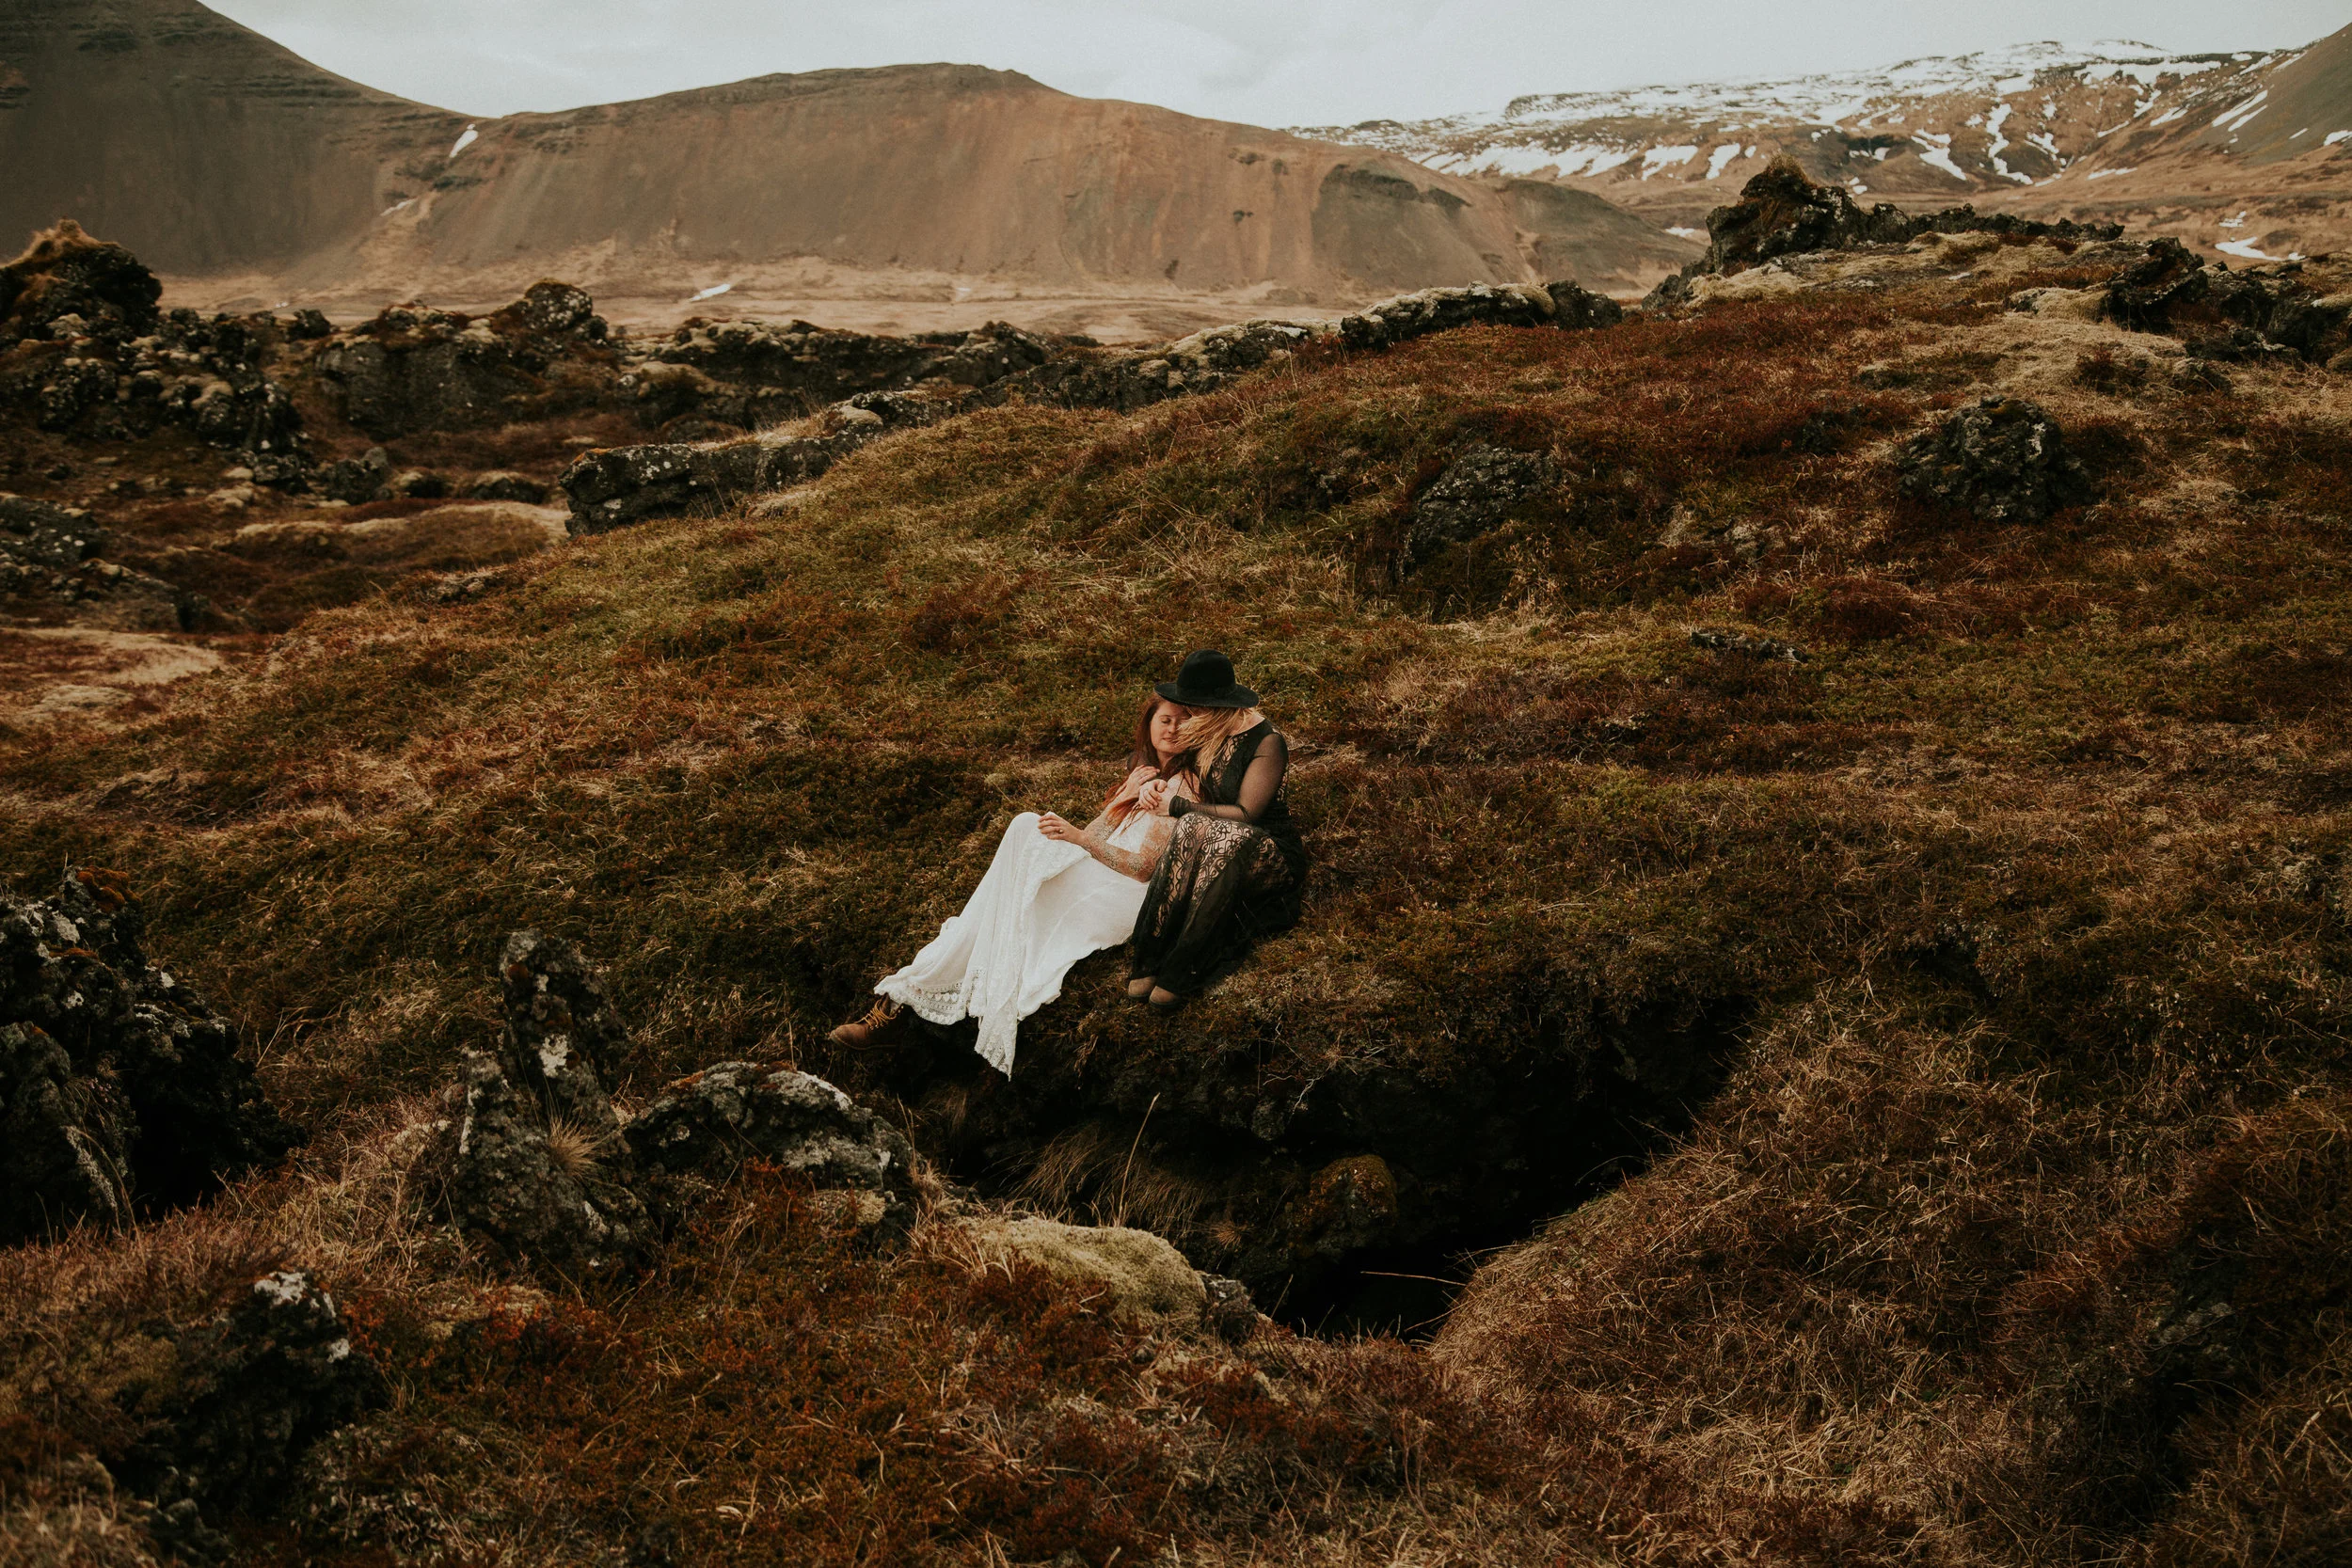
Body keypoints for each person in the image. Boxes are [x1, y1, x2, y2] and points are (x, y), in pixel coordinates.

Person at [827, 695, 1200, 1074]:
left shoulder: (1185, 785)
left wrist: (1077, 837)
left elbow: (1142, 869)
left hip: (1126, 893)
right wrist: (1122, 798)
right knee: (1016, 850)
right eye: (1165, 720)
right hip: (1100, 871)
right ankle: (901, 999)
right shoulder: (1144, 772)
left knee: (1018, 843)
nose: (1172, 730)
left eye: (1182, 722)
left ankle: (897, 1005)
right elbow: (1097, 835)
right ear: (1149, 725)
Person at [1125, 650, 1307, 1012]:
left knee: (1223, 832)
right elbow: (1150, 750)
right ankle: (1151, 956)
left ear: (1219, 705)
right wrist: (1152, 781)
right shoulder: (1205, 726)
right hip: (1212, 839)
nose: (1187, 714)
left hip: (1266, 849)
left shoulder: (1267, 741)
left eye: (1194, 706)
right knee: (1194, 825)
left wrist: (1177, 805)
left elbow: (1247, 813)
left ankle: (1182, 969)